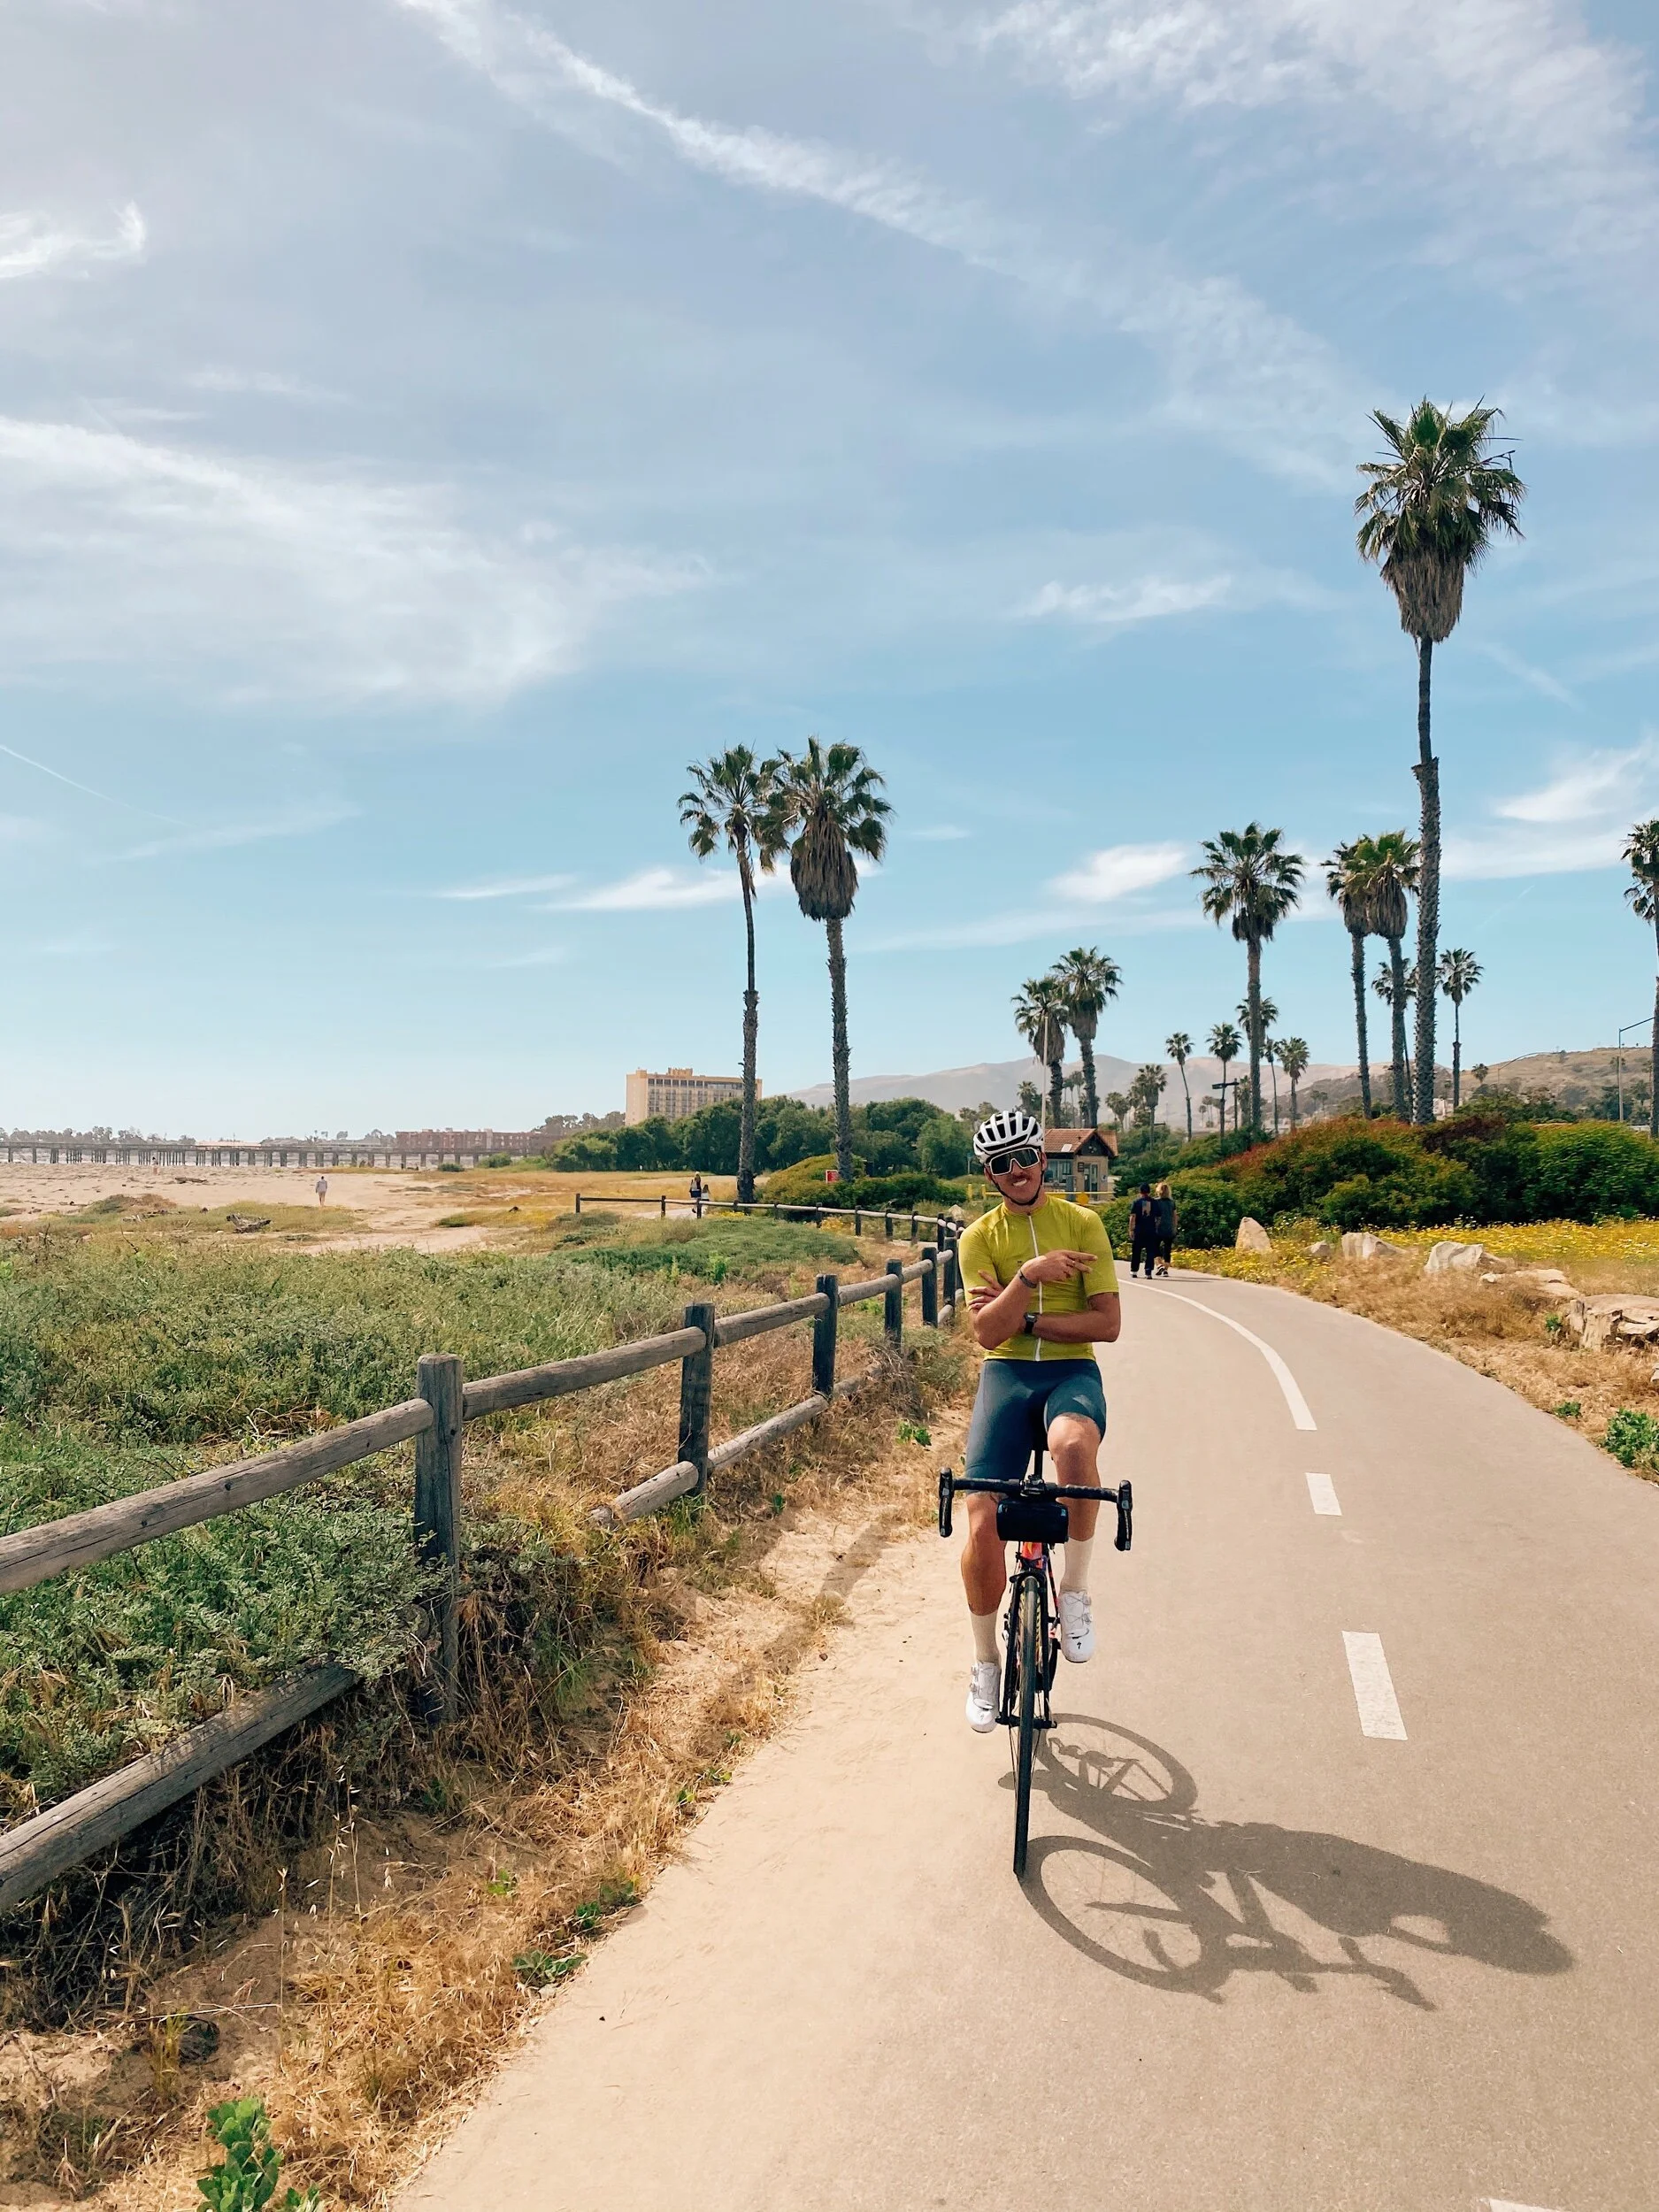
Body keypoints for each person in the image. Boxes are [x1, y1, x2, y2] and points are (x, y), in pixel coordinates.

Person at [955, 1109, 1121, 1732]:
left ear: (1042, 1160)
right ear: (990, 1176)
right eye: (1002, 1164)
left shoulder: (1083, 1223)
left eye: (1025, 1157)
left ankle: (1073, 1592)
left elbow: (1107, 1324)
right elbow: (985, 1334)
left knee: (1073, 1449)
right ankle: (984, 1663)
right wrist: (1028, 1275)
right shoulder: (979, 1238)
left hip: (1070, 1372)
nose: (1016, 1170)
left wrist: (1023, 1317)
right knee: (981, 1520)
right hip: (1006, 1374)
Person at [1128, 1182, 1156, 1278]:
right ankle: (1148, 1271)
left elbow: (1133, 1217)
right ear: (1149, 1191)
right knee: (1150, 1251)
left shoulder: (1137, 1202)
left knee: (1136, 1250)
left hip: (1139, 1229)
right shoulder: (1154, 1202)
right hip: (1151, 1229)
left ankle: (1134, 1270)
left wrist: (1131, 1229)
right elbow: (1159, 1217)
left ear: (1140, 1191)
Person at [1153, 1179, 1177, 1276]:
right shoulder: (1172, 1202)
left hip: (1157, 1228)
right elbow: (1175, 1216)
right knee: (1167, 1249)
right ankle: (1166, 1270)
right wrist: (1174, 1227)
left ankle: (1159, 1265)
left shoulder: (1155, 1202)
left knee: (1155, 1247)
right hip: (1169, 1228)